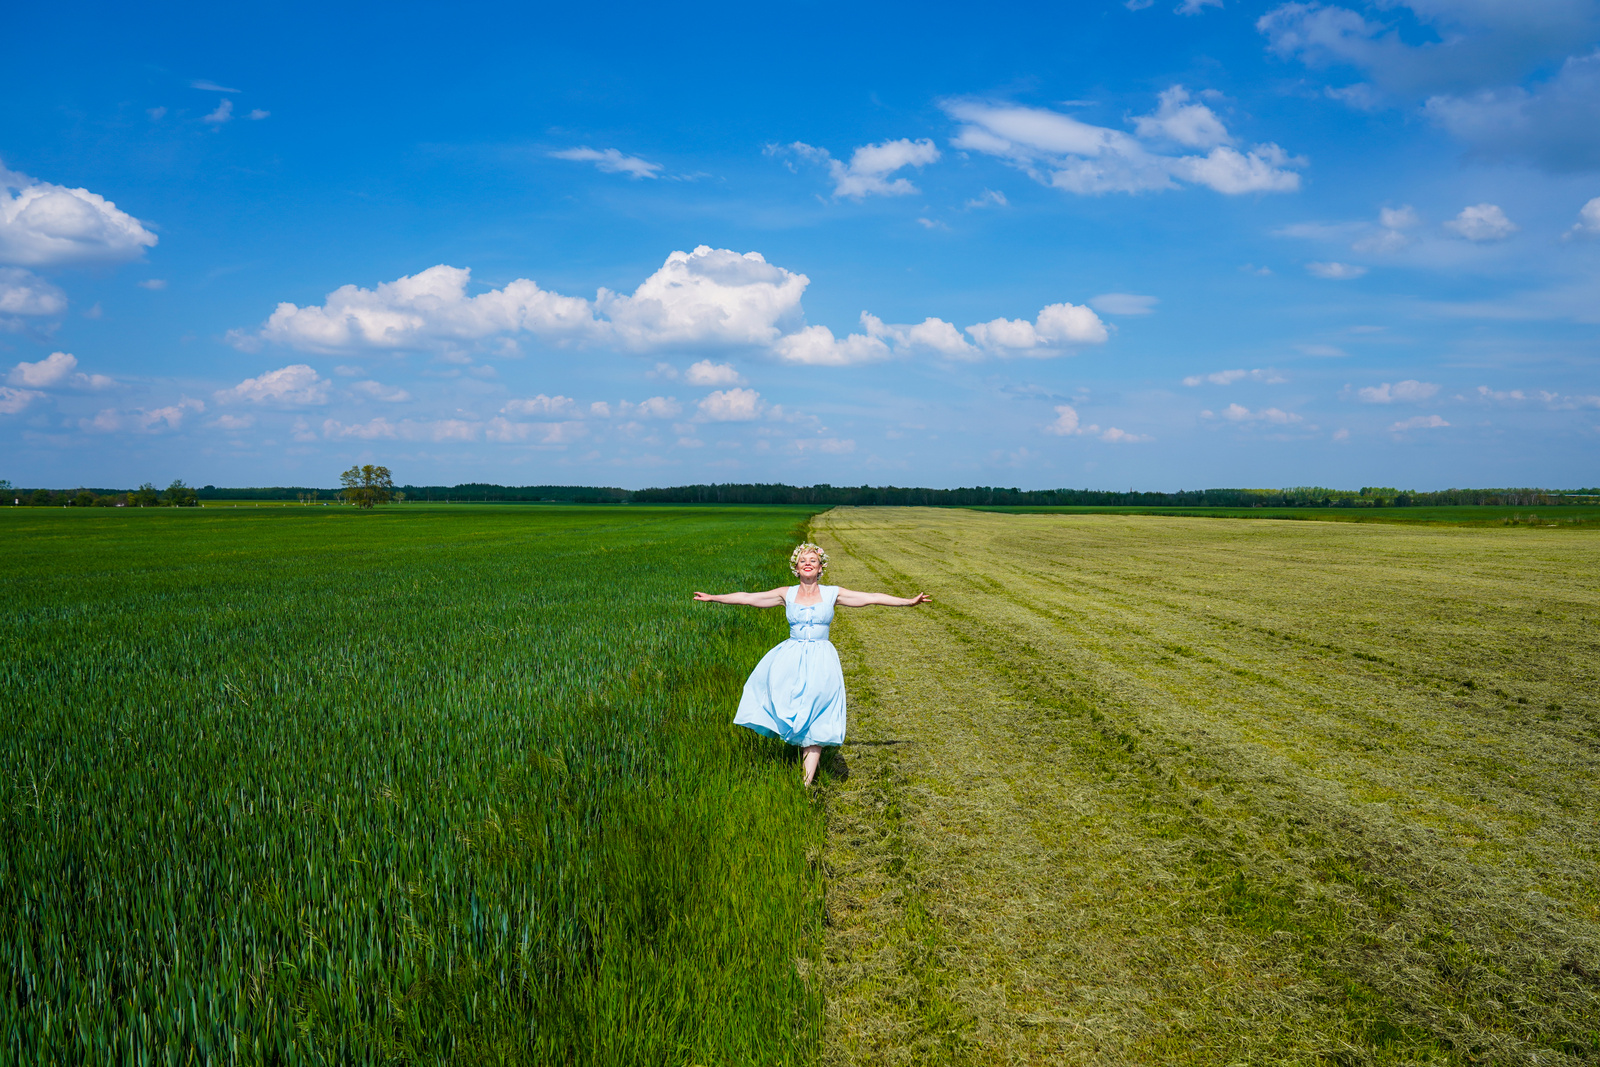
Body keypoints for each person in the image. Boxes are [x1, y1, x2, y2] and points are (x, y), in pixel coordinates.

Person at [693, 542, 931, 785]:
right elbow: (748, 598)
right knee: (789, 706)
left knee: (817, 712)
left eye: (813, 560)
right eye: (803, 560)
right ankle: (791, 740)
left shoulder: (832, 593)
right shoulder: (786, 594)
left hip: (821, 660)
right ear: (796, 567)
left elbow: (870, 597)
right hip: (790, 658)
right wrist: (713, 598)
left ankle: (804, 785)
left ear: (820, 568)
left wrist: (907, 602)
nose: (808, 563)